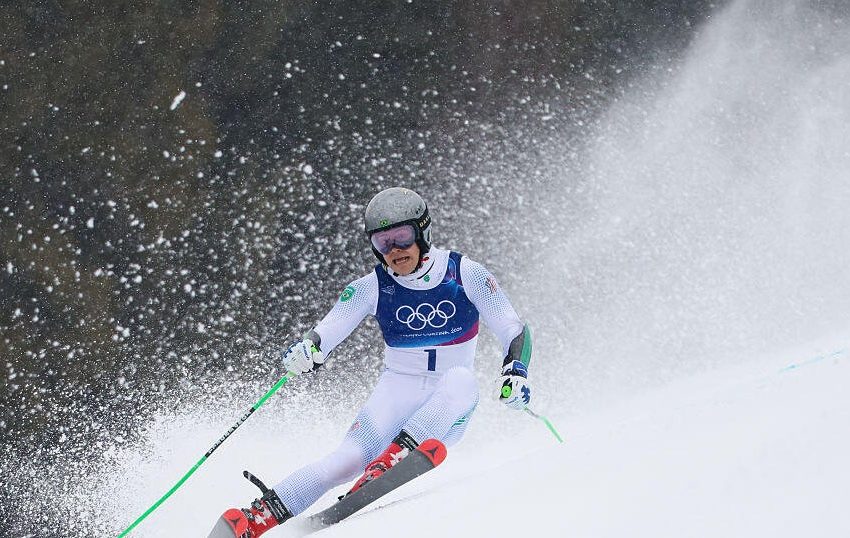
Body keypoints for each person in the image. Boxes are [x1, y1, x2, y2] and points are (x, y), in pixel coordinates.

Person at [220, 187, 533, 537]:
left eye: (402, 237)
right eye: (384, 243)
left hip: (446, 410)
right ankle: (257, 518)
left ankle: (395, 459)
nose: (395, 250)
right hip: (396, 391)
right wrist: (307, 350)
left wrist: (516, 372)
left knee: (462, 379)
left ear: (423, 232)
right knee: (347, 460)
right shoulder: (370, 286)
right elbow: (327, 330)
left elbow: (512, 327)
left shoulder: (464, 273)